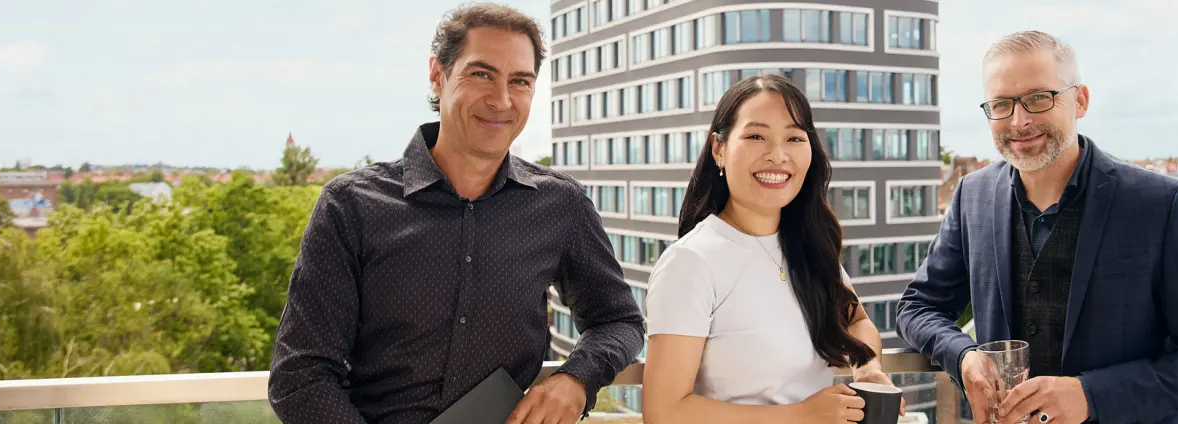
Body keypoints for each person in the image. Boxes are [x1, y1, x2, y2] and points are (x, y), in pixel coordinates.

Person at [266, 4, 644, 424]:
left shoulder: (561, 205)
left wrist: (575, 379)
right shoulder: (351, 205)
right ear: (437, 74)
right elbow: (300, 375)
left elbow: (619, 320)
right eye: (481, 74)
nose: (501, 100)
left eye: (519, 81)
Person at [896, 30, 1178, 424]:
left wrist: (1090, 396)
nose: (1019, 120)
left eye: (1038, 98)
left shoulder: (1160, 203)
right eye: (1001, 104)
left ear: (1080, 100)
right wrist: (964, 355)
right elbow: (918, 307)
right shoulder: (972, 196)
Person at [639, 74, 904, 424]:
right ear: (719, 149)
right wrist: (800, 416)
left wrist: (867, 367)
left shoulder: (807, 247)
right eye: (756, 136)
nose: (778, 155)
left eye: (794, 138)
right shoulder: (690, 262)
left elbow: (857, 321)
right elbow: (664, 412)